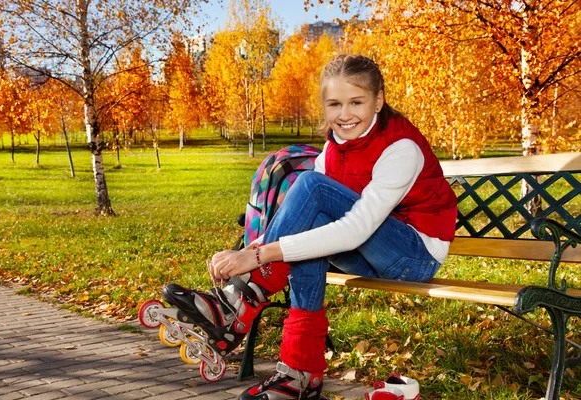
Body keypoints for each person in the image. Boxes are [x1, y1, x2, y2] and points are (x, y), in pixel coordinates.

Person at [163, 54, 458, 400]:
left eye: (356, 102)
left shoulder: (401, 146)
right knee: (309, 233)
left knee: (310, 186)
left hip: (413, 256)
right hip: (371, 250)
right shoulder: (334, 146)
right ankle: (299, 374)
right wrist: (255, 252)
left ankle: (240, 302)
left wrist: (257, 254)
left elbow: (357, 229)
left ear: (378, 101)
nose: (344, 114)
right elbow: (318, 221)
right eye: (334, 104)